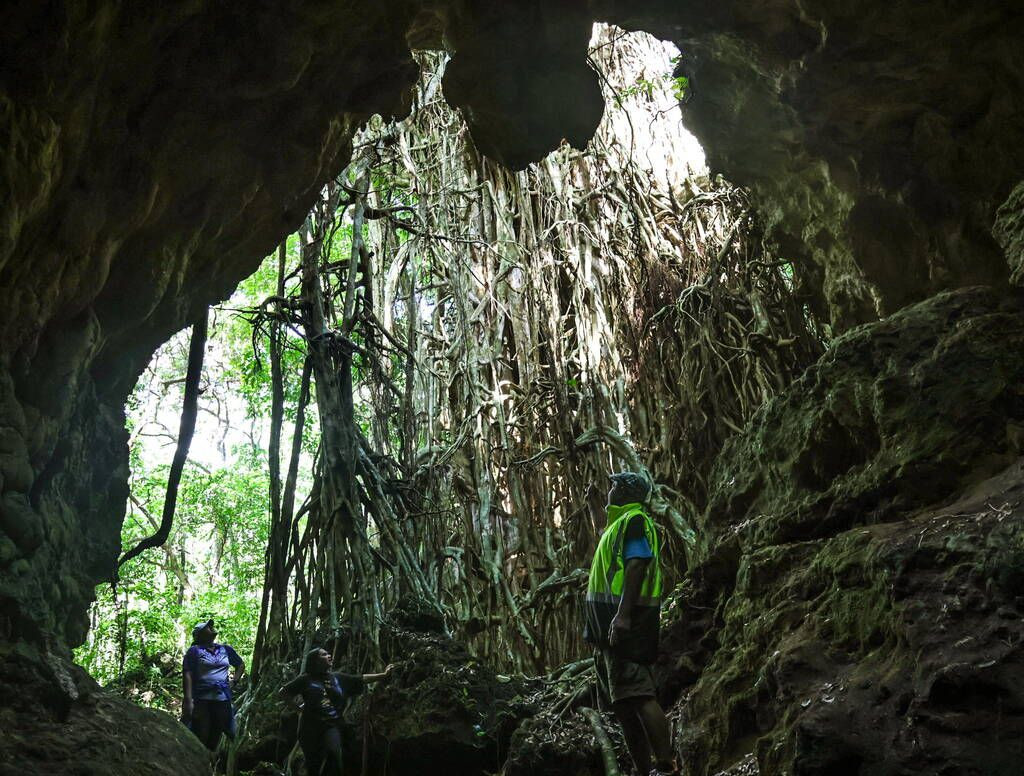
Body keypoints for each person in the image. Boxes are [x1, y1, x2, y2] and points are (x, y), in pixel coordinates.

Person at [584, 472, 678, 776]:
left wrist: (623, 616)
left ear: (625, 492)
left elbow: (637, 563)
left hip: (626, 629)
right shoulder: (618, 525)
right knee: (624, 706)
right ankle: (642, 770)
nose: (609, 491)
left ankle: (666, 766)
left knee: (640, 695)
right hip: (607, 635)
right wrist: (592, 507)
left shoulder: (635, 520)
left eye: (614, 487)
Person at [280, 647, 394, 776]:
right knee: (313, 765)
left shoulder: (337, 677)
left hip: (331, 725)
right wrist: (298, 710)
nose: (329, 656)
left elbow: (361, 678)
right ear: (315, 661)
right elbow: (283, 693)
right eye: (324, 655)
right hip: (309, 729)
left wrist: (383, 675)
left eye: (328, 653)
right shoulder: (305, 679)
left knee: (335, 754)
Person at [181, 618, 246, 751]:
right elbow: (187, 674)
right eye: (207, 627)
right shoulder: (194, 651)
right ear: (199, 635)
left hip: (222, 699)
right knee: (201, 736)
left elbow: (240, 664)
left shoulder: (225, 649)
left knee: (222, 734)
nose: (211, 628)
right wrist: (188, 700)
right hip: (201, 700)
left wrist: (235, 680)